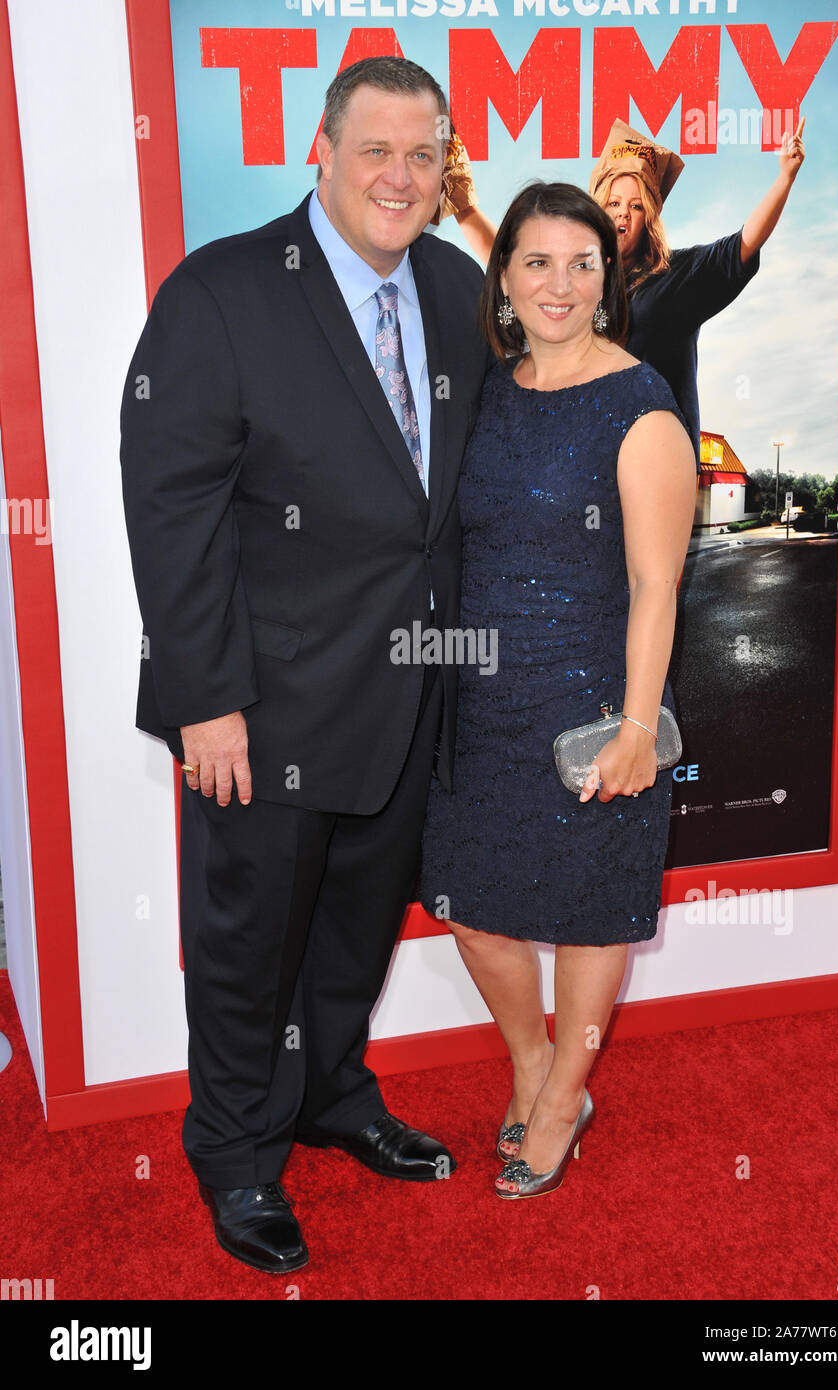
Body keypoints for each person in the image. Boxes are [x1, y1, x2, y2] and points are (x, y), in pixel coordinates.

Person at [119, 56, 490, 1273]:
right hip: (260, 710)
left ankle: (331, 1094)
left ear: (445, 173)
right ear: (318, 153)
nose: (399, 174)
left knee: (352, 935)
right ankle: (234, 1153)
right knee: (247, 949)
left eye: (422, 154)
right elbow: (169, 505)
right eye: (374, 147)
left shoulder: (448, 283)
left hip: (403, 694)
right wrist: (205, 700)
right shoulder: (221, 294)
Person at [418, 181, 697, 1198]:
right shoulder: (485, 392)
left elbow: (655, 585)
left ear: (607, 280)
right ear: (504, 278)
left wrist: (634, 725)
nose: (559, 283)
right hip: (479, 707)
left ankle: (561, 1092)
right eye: (535, 261)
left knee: (587, 918)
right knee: (475, 913)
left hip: (590, 706)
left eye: (582, 263)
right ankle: (537, 1067)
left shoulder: (639, 405)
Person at [450, 116, 806, 463]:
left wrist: (785, 179)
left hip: (657, 463)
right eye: (614, 204)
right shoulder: (580, 277)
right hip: (589, 461)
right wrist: (463, 203)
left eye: (636, 206)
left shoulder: (675, 276)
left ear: (649, 215)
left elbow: (741, 246)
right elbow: (512, 262)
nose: (623, 215)